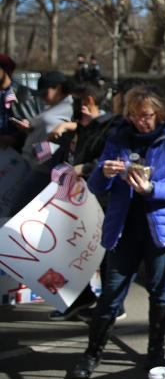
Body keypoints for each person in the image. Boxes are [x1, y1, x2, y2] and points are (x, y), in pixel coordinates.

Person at [66, 86, 165, 379]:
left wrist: (151, 189)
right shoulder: (117, 140)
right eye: (135, 116)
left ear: (159, 114)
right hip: (123, 228)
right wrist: (103, 172)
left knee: (160, 292)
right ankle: (92, 354)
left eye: (146, 116)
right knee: (111, 291)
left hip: (161, 230)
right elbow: (97, 187)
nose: (140, 122)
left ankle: (154, 353)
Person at [47, 80, 124, 321]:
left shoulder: (111, 125)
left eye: (78, 101)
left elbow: (105, 159)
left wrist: (86, 167)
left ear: (88, 101)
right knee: (74, 247)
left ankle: (109, 304)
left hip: (99, 199)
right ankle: (83, 297)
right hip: (79, 196)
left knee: (103, 253)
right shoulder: (84, 125)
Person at [9, 70, 75, 214]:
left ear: (57, 88)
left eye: (45, 93)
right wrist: (31, 129)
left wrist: (65, 126)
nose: (43, 98)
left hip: (45, 169)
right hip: (35, 163)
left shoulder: (71, 106)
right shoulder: (55, 106)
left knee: (17, 212)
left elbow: (56, 140)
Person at [0, 53, 40, 152]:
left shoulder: (25, 94)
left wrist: (15, 139)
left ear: (4, 70)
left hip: (19, 156)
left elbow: (38, 130)